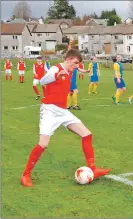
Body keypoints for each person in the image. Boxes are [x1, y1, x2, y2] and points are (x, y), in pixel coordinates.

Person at [20, 49, 111, 187]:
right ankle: (26, 175)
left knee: (87, 134)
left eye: (78, 64)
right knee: (43, 144)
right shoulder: (56, 69)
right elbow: (42, 80)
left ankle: (93, 169)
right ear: (68, 60)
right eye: (75, 63)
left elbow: (75, 66)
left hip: (63, 111)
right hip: (49, 110)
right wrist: (57, 75)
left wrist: (80, 70)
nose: (76, 66)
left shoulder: (71, 69)